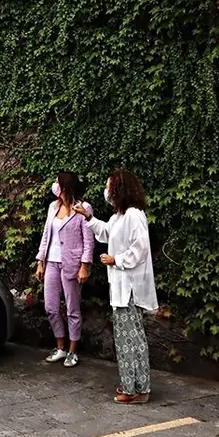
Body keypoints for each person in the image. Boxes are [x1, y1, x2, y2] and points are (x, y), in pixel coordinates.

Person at [73, 169, 157, 404]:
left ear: (119, 189)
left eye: (109, 186)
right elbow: (106, 233)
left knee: (131, 339)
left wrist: (116, 260)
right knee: (126, 339)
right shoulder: (119, 216)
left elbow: (140, 248)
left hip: (129, 288)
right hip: (120, 288)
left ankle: (136, 390)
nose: (106, 191)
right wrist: (88, 218)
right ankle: (134, 386)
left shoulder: (134, 215)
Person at [35, 171, 94, 368]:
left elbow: (88, 241)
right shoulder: (53, 207)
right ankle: (60, 346)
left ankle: (72, 350)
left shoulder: (83, 208)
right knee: (50, 307)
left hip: (72, 264)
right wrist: (40, 261)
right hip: (51, 262)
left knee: (72, 309)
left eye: (57, 183)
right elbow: (46, 235)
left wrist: (84, 266)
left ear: (65, 187)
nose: (55, 186)